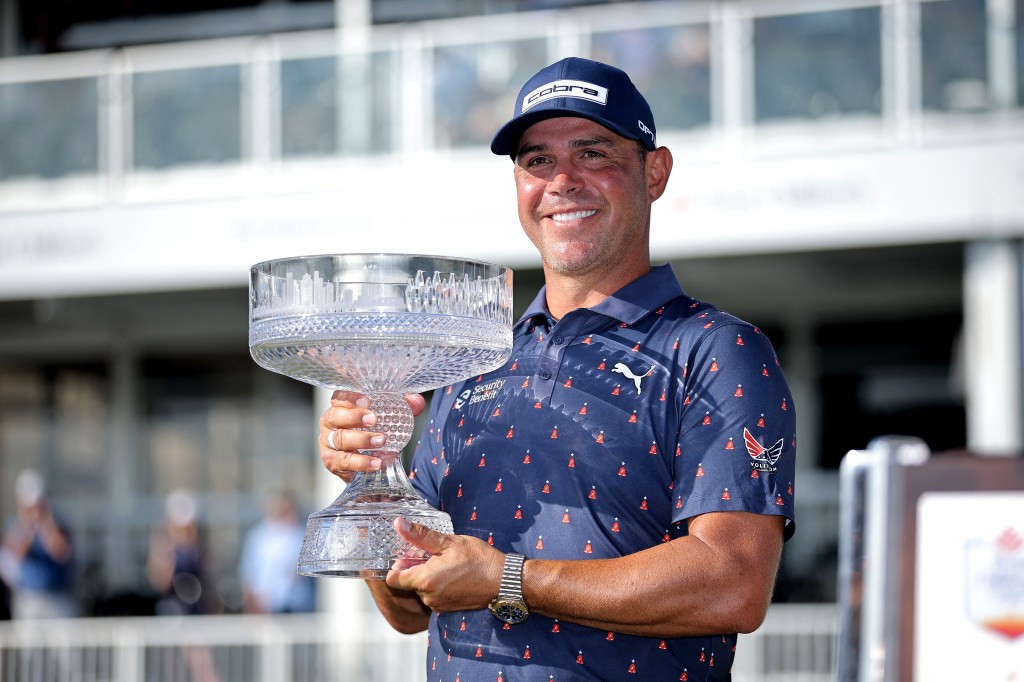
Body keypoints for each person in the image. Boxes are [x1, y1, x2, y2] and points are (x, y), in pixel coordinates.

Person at [318, 57, 797, 681]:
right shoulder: (473, 361)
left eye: (593, 152)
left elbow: (732, 583)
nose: (562, 180)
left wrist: (506, 579)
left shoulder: (715, 349)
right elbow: (408, 607)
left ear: (655, 173)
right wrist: (374, 476)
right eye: (537, 161)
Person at [0, 469, 77, 619]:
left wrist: (46, 525)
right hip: (29, 599)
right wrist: (27, 526)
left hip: (58, 597)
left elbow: (62, 553)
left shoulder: (57, 525)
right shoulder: (13, 526)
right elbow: (14, 556)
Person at [239, 491, 315, 614]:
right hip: (267, 603)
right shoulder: (259, 536)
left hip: (298, 603)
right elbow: (249, 573)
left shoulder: (302, 534)